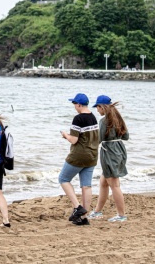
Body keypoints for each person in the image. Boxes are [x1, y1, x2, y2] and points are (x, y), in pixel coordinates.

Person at [88, 95, 130, 222]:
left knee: (114, 185)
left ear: (102, 107)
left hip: (110, 153)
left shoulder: (103, 121)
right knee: (103, 182)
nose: (97, 110)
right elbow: (126, 136)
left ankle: (121, 215)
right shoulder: (118, 119)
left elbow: (99, 139)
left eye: (97, 107)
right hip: (120, 150)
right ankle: (97, 211)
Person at [59, 93, 99, 226]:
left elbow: (74, 140)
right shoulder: (93, 117)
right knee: (86, 185)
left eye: (75, 104)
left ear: (79, 105)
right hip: (92, 155)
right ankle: (83, 217)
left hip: (79, 155)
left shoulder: (78, 118)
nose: (74, 107)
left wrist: (65, 135)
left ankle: (78, 207)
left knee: (63, 179)